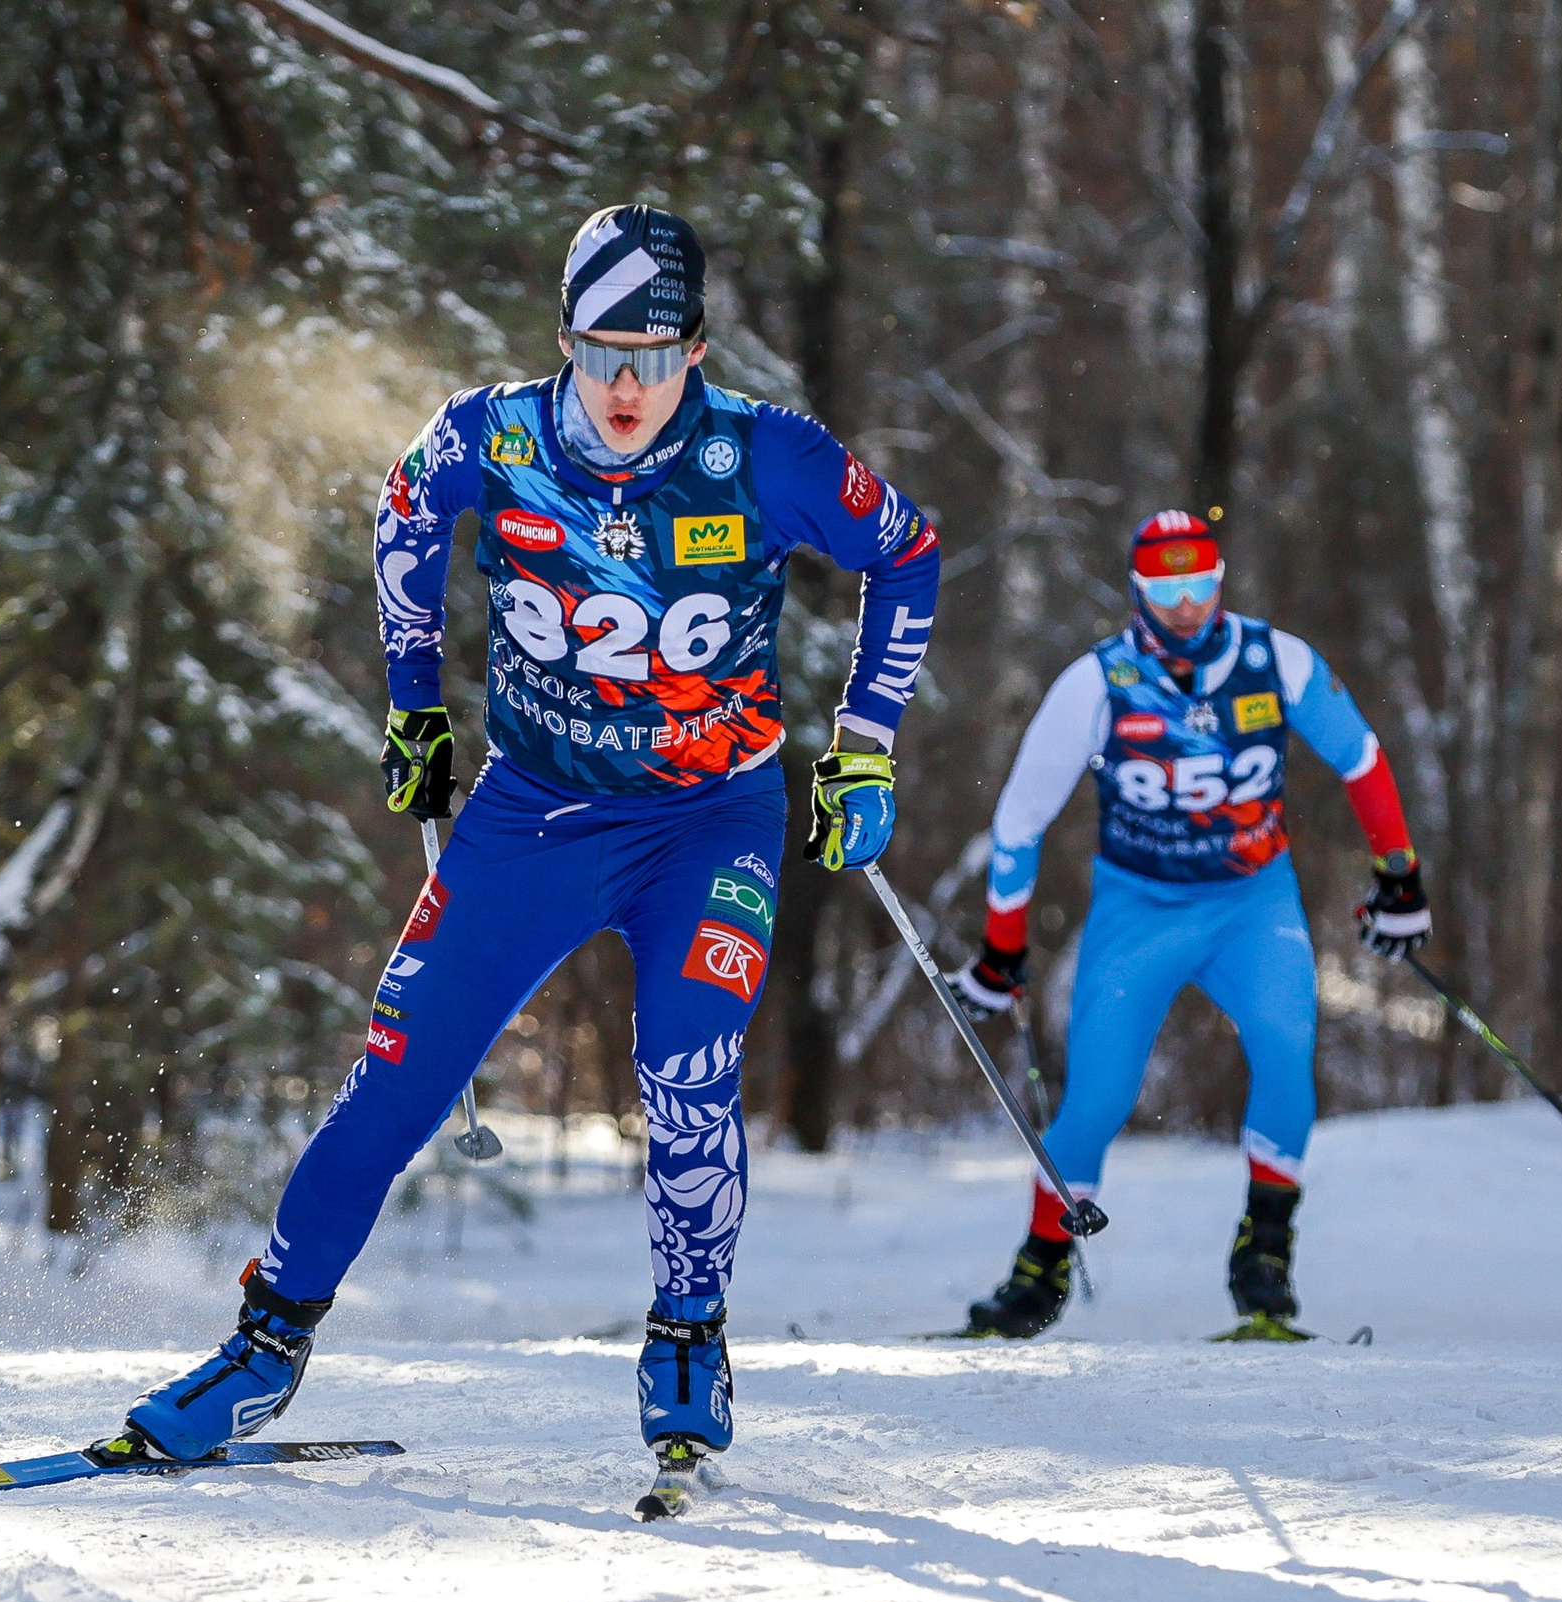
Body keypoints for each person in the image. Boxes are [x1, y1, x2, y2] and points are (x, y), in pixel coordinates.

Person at [88, 206, 942, 1477]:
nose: (625, 389)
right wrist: (416, 701)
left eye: (654, 357)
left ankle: (688, 1334)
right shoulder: (489, 432)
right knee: (396, 1074)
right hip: (531, 811)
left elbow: (909, 553)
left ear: (698, 351)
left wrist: (864, 743)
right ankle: (264, 1350)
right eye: (601, 353)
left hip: (711, 818)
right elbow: (404, 521)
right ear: (562, 341)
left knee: (689, 1061)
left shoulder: (769, 459)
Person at [947, 509, 1429, 1340]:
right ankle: (1040, 1269)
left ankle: (1265, 1257)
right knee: (1097, 1094)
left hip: (1253, 902)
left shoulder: (1274, 659)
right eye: (1165, 587)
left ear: (1222, 579)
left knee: (1285, 1047)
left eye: (1199, 583)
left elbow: (1361, 757)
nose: (1184, 604)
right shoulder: (1099, 682)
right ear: (1137, 588)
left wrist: (1401, 877)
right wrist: (1001, 948)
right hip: (1140, 909)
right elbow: (1020, 819)